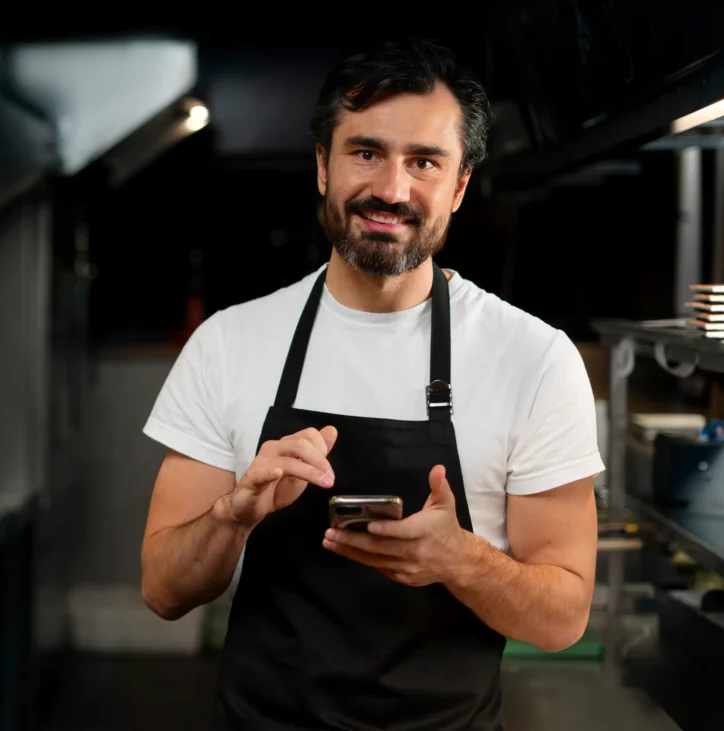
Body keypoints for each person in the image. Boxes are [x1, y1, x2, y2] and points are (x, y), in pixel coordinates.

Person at [140, 38, 602, 731]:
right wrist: (235, 512)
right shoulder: (230, 345)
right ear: (324, 166)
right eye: (366, 152)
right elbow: (162, 589)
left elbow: (563, 616)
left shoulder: (534, 359)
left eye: (424, 161)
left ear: (461, 184)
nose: (392, 188)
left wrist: (460, 559)